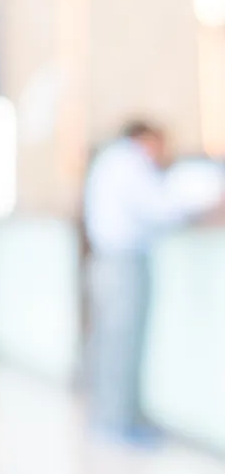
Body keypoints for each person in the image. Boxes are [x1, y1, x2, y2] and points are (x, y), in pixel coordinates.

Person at [81, 119, 223, 445]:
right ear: (144, 138)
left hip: (108, 261)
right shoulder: (129, 163)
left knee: (112, 344)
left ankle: (113, 417)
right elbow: (159, 208)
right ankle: (117, 422)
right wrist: (204, 205)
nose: (163, 153)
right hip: (123, 264)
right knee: (123, 345)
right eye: (160, 143)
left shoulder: (112, 161)